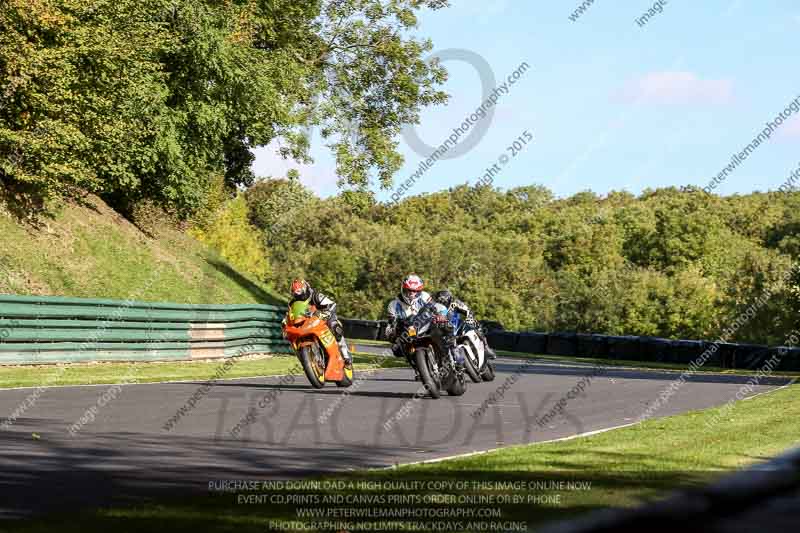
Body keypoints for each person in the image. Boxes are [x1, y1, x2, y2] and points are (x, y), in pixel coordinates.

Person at [288, 278, 352, 364]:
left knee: (334, 326)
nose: (297, 295)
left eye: (299, 291)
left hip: (324, 317)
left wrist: (326, 312)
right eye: (294, 293)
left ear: (305, 288)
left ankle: (345, 355)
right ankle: (308, 360)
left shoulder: (315, 295)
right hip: (308, 322)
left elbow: (332, 304)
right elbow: (290, 314)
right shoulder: (292, 303)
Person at [432, 289, 497, 359]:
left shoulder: (454, 303)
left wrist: (469, 319)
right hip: (445, 329)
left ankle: (486, 348)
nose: (440, 301)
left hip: (457, 324)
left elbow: (467, 310)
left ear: (447, 297)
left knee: (476, 326)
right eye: (438, 300)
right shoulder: (436, 308)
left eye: (441, 299)